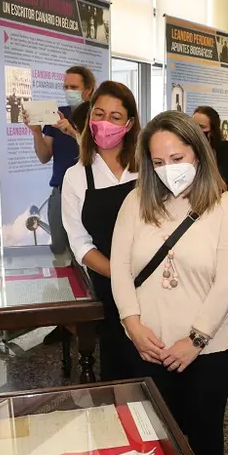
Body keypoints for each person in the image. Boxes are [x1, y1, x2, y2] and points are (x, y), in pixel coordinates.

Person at [110, 111, 228, 455]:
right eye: (157, 162)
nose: (168, 169)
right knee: (151, 442)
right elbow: (120, 267)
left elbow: (227, 281)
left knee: (203, 443)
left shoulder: (226, 207)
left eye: (177, 159)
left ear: (198, 154)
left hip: (208, 354)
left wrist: (196, 340)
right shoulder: (135, 203)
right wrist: (132, 325)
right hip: (147, 348)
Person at [61, 81, 140, 381]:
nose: (105, 123)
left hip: (158, 281)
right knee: (121, 370)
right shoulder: (76, 176)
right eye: (99, 114)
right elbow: (80, 244)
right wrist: (121, 275)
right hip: (109, 284)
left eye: (116, 117)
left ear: (130, 123)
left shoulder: (146, 166)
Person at [25, 66, 95, 344]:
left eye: (74, 86)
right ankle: (66, 322)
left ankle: (92, 320)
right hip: (59, 192)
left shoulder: (96, 117)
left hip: (89, 193)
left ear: (88, 89)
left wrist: (72, 131)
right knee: (61, 256)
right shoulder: (57, 113)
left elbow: (95, 155)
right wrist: (35, 133)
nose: (68, 91)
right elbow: (44, 156)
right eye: (65, 85)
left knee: (88, 254)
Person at [193, 106, 228, 192]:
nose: (197, 130)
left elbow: (224, 182)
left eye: (202, 127)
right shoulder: (188, 147)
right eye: (194, 125)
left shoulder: (224, 148)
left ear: (213, 129)